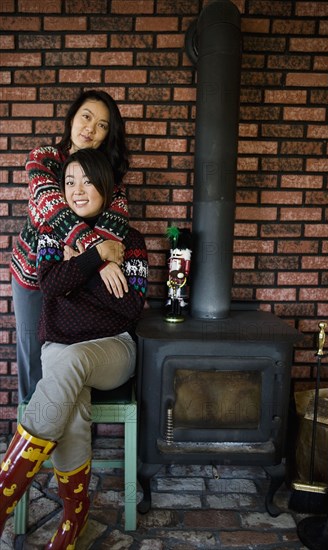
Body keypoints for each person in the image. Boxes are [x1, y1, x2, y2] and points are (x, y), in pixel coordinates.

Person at [0, 148, 148, 548]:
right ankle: (74, 516)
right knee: (73, 404)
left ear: (106, 186)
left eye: (86, 181)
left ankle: (3, 494)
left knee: (74, 362)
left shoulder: (129, 240)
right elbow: (49, 286)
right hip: (60, 348)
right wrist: (96, 259)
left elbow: (131, 306)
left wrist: (80, 266)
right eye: (69, 182)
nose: (77, 190)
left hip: (112, 350)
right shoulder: (52, 235)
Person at [11, 89, 130, 403]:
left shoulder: (108, 175)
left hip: (77, 276)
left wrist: (93, 257)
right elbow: (54, 212)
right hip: (32, 273)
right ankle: (33, 437)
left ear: (107, 136)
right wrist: (98, 251)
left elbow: (116, 220)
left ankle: (65, 435)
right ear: (73, 118)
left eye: (103, 125)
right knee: (33, 353)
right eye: (87, 117)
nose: (91, 128)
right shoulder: (44, 159)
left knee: (68, 356)